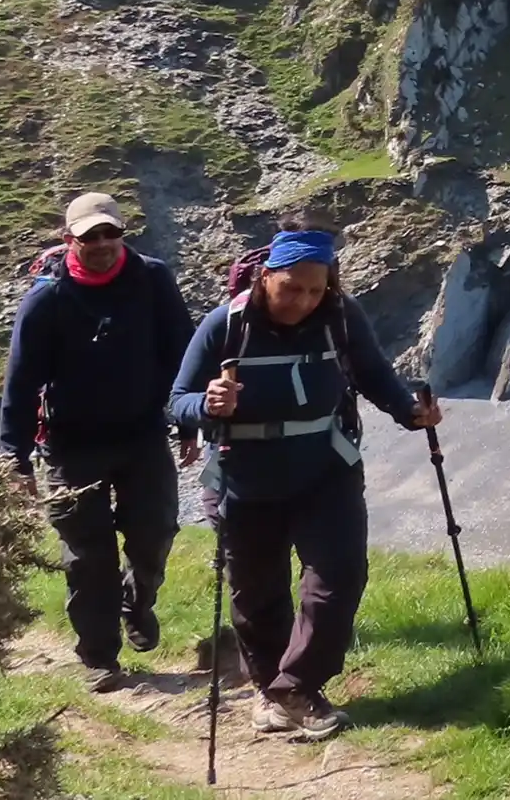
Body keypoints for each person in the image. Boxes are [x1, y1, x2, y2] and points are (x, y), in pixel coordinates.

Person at [170, 210, 441, 742]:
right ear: (266, 276)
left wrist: (411, 413)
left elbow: (373, 375)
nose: (304, 301)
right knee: (255, 595)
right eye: (292, 288)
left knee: (337, 579)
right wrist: (207, 404)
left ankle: (295, 688)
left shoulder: (341, 316)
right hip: (244, 479)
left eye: (316, 290)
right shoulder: (225, 325)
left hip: (326, 471)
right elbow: (175, 403)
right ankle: (275, 690)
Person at [0, 192, 197, 693]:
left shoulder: (153, 279)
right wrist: (14, 458)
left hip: (143, 433)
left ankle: (138, 601)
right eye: (90, 237)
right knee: (88, 556)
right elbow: (20, 382)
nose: (103, 244)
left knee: (155, 533)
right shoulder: (47, 299)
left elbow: (182, 352)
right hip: (71, 444)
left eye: (111, 233)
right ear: (70, 240)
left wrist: (191, 424)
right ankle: (100, 657)